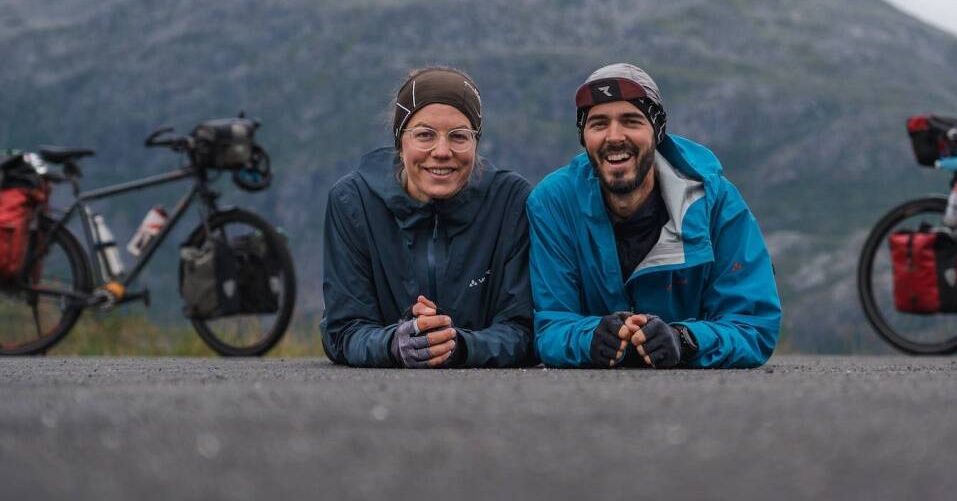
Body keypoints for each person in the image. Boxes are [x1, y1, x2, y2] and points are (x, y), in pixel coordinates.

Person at [528, 63, 781, 369]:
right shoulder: (553, 203)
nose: (614, 136)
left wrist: (685, 339)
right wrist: (590, 337)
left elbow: (753, 326)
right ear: (584, 137)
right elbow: (550, 326)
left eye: (631, 121)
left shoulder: (716, 202)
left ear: (658, 131)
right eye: (598, 124)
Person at [321, 67, 534, 368]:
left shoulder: (510, 201)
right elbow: (343, 329)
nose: (442, 151)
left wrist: (460, 346)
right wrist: (394, 343)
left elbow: (524, 328)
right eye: (424, 135)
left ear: (476, 142)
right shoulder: (353, 202)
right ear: (400, 141)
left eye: (459, 136)